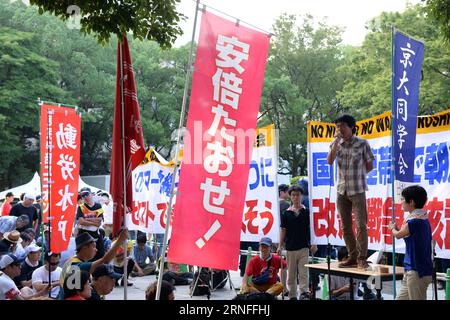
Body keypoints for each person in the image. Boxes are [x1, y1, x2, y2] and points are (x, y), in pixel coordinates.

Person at [327, 114, 374, 270]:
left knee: (361, 225)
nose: (340, 129)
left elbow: (369, 165)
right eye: (338, 126)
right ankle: (352, 256)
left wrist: (358, 176)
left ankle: (362, 258)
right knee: (346, 226)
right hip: (341, 190)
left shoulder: (362, 143)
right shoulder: (336, 143)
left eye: (343, 126)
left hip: (358, 189)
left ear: (352, 127)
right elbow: (329, 161)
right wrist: (334, 142)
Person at [389, 185, 432, 300]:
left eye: (403, 199)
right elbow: (405, 234)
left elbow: (398, 235)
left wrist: (392, 228)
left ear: (411, 202)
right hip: (414, 270)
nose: (401, 202)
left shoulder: (413, 221)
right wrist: (397, 230)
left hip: (417, 271)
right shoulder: (422, 218)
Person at [59, 228, 128, 299]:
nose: (96, 249)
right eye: (94, 246)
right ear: (85, 248)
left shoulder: (72, 261)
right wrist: (119, 241)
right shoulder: (76, 265)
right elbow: (105, 261)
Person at [277, 185, 317, 300]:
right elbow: (283, 230)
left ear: (301, 196)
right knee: (291, 275)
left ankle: (304, 293)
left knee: (304, 273)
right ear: (290, 196)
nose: (296, 197)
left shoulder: (307, 212)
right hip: (290, 248)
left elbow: (312, 229)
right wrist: (280, 245)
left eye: (298, 195)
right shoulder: (286, 213)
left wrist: (314, 243)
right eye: (293, 195)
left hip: (304, 247)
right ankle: (292, 295)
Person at [76, 187, 105, 261]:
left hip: (96, 233)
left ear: (91, 194)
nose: (85, 197)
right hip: (84, 234)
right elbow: (81, 221)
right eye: (83, 195)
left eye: (86, 194)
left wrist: (87, 219)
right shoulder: (81, 207)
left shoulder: (98, 206)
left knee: (100, 253)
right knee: (86, 255)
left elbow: (100, 220)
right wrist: (94, 222)